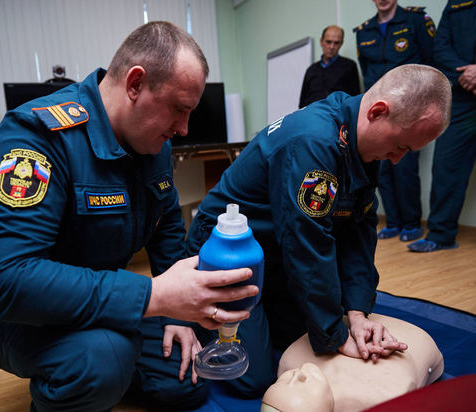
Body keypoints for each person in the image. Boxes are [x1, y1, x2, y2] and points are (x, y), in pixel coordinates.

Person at [0, 21, 260, 411]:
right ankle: (95, 366)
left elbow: (167, 230)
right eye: (179, 110)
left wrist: (179, 317)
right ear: (135, 84)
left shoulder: (153, 143)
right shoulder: (36, 138)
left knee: (185, 383)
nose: (183, 128)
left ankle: (107, 365)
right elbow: (3, 282)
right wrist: (154, 296)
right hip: (14, 311)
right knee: (102, 359)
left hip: (97, 295)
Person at [187, 64, 451, 397]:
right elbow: (306, 244)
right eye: (400, 146)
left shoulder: (361, 139)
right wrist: (335, 336)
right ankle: (186, 311)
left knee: (307, 331)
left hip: (277, 253)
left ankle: (272, 305)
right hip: (228, 256)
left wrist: (356, 311)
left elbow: (359, 230)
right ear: (378, 112)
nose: (397, 160)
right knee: (252, 377)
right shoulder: (314, 143)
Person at [355, 0, 436, 242]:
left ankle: (411, 223)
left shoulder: (415, 20)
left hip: (409, 109)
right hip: (378, 111)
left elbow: (431, 63)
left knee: (405, 167)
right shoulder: (363, 32)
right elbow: (366, 72)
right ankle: (393, 222)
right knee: (380, 168)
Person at [261, 314, 444, 412]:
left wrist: (356, 314)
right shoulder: (381, 398)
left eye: (284, 383)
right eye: (300, 389)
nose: (297, 375)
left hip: (347, 322)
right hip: (416, 341)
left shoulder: (291, 359)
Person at [408, 0, 476, 252]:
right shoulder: (456, 3)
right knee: (446, 166)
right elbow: (441, 46)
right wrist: (466, 74)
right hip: (461, 96)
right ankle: (441, 234)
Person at [299, 25, 360, 109]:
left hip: (336, 117)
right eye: (328, 42)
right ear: (321, 42)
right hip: (311, 116)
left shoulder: (349, 66)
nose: (331, 47)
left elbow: (355, 100)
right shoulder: (311, 70)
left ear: (341, 43)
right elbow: (302, 103)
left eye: (336, 43)